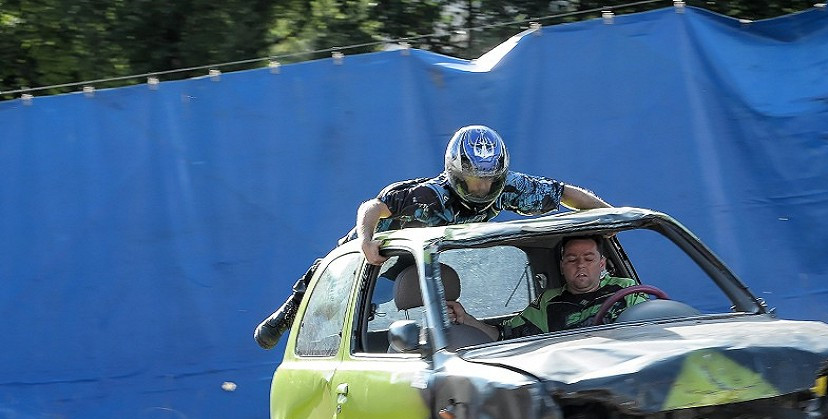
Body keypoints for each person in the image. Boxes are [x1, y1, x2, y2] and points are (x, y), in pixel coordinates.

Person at [254, 125, 610, 349]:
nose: (482, 188)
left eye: (489, 181)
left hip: (429, 253)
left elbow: (567, 194)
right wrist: (365, 241)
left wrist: (606, 215)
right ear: (454, 174)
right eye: (473, 181)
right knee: (326, 280)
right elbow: (371, 209)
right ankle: (287, 314)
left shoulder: (513, 187)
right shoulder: (424, 196)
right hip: (383, 248)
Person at [448, 235, 648, 340]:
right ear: (562, 266)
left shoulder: (627, 291)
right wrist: (467, 319)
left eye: (588, 259)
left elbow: (652, 330)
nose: (580, 265)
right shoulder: (547, 303)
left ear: (602, 264)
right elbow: (502, 336)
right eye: (572, 259)